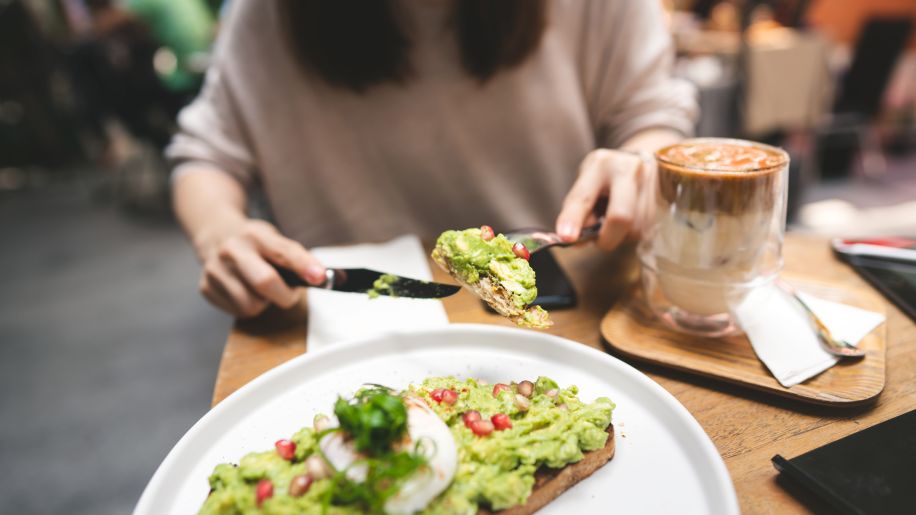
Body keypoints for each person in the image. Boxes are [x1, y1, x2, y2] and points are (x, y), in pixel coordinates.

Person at [168, 0, 698, 318]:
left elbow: (650, 115)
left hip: (562, 314)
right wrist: (222, 233)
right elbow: (205, 156)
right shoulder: (268, 16)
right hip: (342, 326)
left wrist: (639, 160)